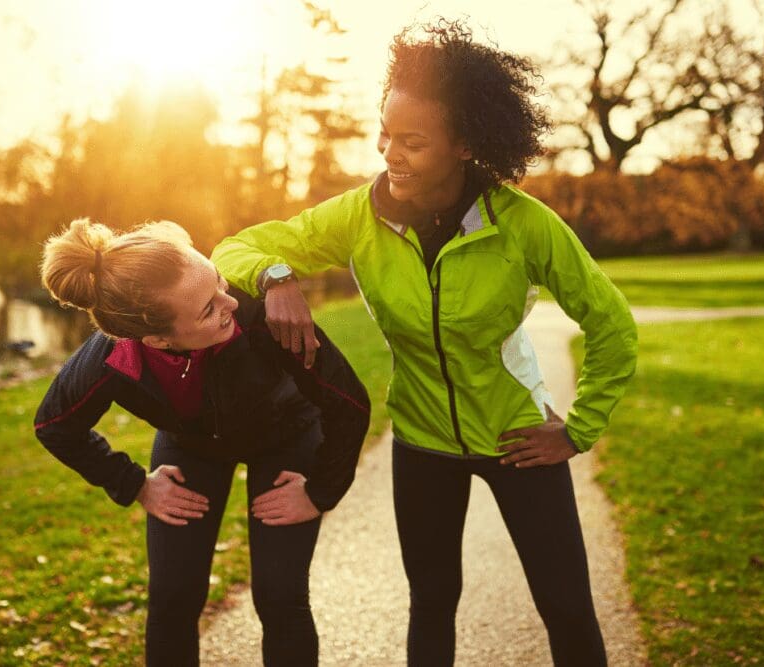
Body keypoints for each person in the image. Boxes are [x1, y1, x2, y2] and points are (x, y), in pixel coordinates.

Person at [211, 19, 637, 667]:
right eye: (385, 133)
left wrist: (578, 429)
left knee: (566, 605)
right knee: (432, 602)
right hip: (421, 442)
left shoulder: (522, 225)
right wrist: (275, 278)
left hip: (516, 438)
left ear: (465, 143)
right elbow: (234, 247)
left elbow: (611, 323)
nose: (390, 152)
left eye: (413, 141)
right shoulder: (360, 216)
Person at [33, 218, 370, 666]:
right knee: (173, 599)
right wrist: (134, 484)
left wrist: (319, 492)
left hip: (287, 437)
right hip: (190, 447)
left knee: (280, 596)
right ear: (156, 340)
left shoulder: (261, 317)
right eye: (208, 309)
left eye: (219, 284)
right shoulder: (112, 358)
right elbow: (55, 424)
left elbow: (348, 402)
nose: (230, 302)